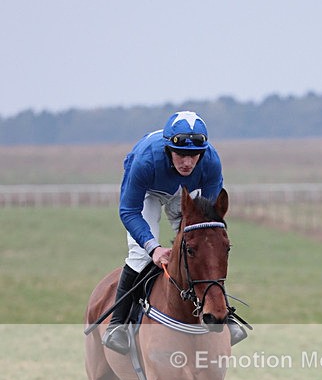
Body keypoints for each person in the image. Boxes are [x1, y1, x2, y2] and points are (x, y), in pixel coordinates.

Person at [102, 110, 246, 353]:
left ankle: (225, 313)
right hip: (149, 192)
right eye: (181, 154)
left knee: (204, 249)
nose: (188, 162)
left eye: (194, 156)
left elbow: (207, 223)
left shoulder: (211, 161)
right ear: (169, 149)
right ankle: (117, 325)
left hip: (185, 194)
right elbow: (128, 211)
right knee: (140, 256)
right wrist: (154, 248)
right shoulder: (145, 161)